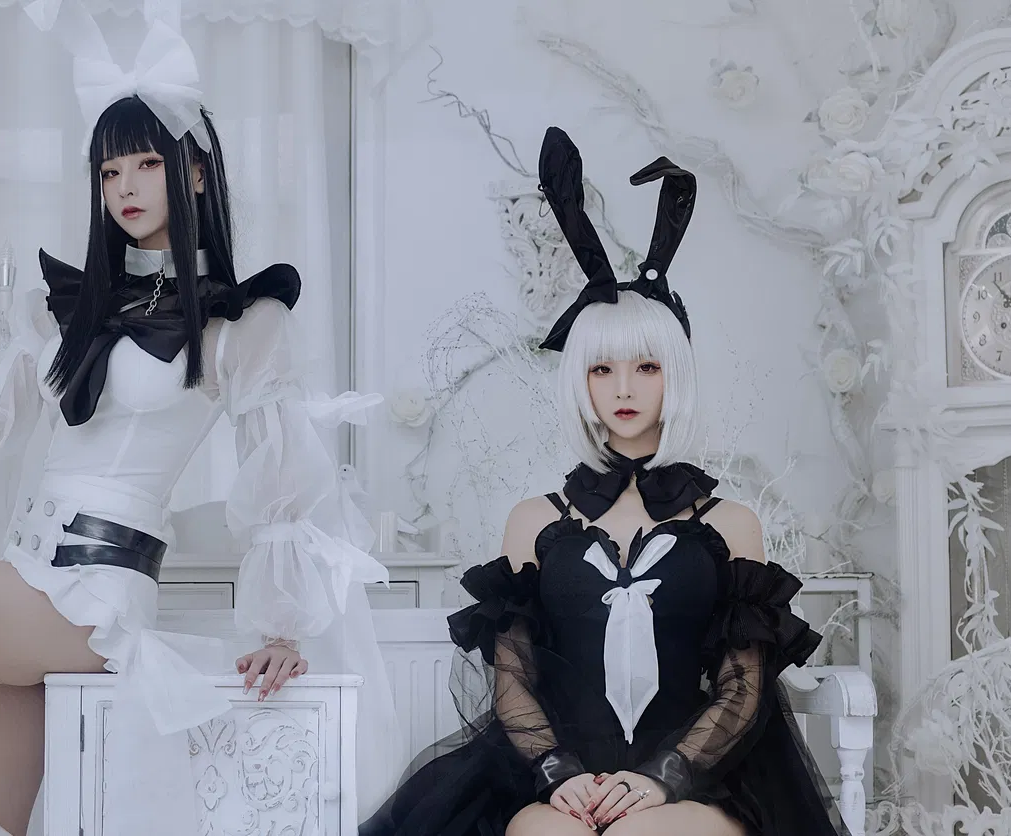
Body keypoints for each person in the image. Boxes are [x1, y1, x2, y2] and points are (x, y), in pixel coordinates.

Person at [0, 11, 397, 836]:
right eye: (108, 171)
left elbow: (282, 478)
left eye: (146, 164)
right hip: (27, 580)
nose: (125, 186)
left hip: (92, 599)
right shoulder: (67, 310)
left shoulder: (239, 326)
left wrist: (281, 627)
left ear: (197, 174)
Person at [359, 127, 849, 836]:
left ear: (674, 376)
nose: (623, 388)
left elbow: (743, 689)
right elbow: (513, 679)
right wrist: (559, 775)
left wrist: (659, 780)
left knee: (637, 834)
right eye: (602, 368)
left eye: (646, 367)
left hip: (697, 784)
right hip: (560, 782)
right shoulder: (534, 520)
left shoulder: (730, 524)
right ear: (579, 380)